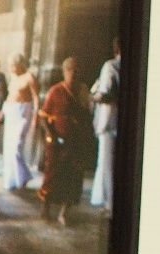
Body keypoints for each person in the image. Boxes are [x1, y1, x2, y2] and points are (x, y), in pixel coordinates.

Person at [38, 55, 92, 224]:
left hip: (76, 142)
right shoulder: (56, 91)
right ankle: (46, 208)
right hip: (57, 141)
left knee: (73, 176)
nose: (73, 73)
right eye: (70, 70)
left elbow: (87, 115)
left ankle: (64, 213)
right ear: (64, 72)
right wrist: (50, 134)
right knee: (52, 174)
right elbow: (43, 116)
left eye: (76, 70)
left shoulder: (83, 91)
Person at [89, 38, 122, 210]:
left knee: (106, 162)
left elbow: (105, 94)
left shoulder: (111, 66)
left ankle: (108, 201)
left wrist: (91, 97)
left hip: (109, 120)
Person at [3, 53, 39, 190]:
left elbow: (36, 97)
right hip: (11, 112)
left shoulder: (29, 77)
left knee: (16, 147)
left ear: (19, 65)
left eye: (13, 65)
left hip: (23, 112)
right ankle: (14, 179)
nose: (11, 68)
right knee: (9, 147)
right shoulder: (13, 77)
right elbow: (9, 97)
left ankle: (24, 176)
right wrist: (2, 112)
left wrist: (36, 116)